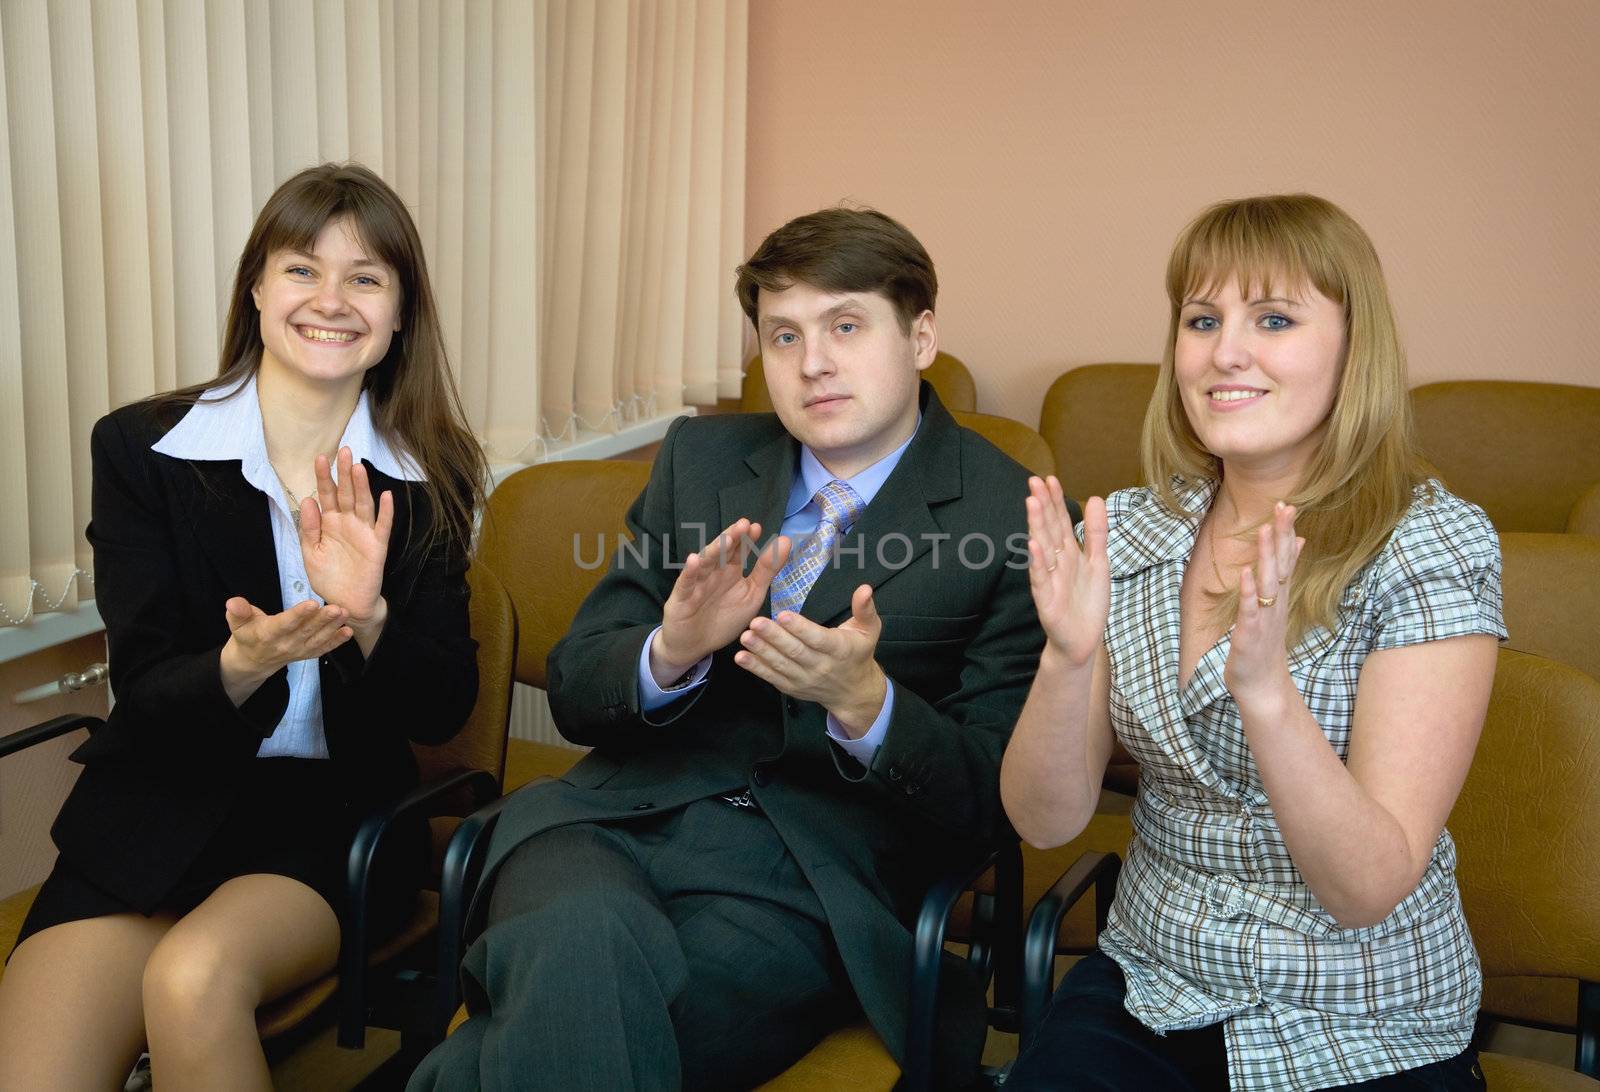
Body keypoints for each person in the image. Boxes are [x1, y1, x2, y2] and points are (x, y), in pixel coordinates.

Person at [410, 207, 1051, 1091]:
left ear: (923, 335)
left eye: (846, 326)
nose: (812, 362)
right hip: (602, 826)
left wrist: (868, 707)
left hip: (805, 881)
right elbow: (576, 685)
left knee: (540, 1041)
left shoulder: (1007, 513)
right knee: (584, 951)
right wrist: (669, 650)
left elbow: (997, 797)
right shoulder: (703, 461)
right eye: (784, 335)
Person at [0, 162, 486, 1091]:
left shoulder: (432, 476)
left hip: (331, 824)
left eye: (366, 278)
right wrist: (238, 664)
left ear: (396, 319)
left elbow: (442, 703)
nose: (331, 300)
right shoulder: (143, 451)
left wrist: (372, 616)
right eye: (302, 268)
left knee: (191, 980)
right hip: (158, 811)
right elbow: (143, 696)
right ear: (257, 288)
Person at [1001, 194, 1501, 1091]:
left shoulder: (1432, 543)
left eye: (1273, 318)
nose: (1224, 351)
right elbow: (1045, 819)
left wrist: (1267, 695)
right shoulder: (1135, 529)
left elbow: (1366, 888)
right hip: (1156, 981)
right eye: (1202, 320)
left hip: (1362, 1015)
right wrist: (1066, 660)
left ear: (1355, 348)